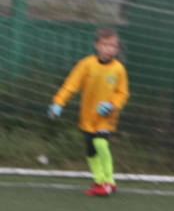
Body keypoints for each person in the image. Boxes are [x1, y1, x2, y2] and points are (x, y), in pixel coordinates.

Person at [49, 27, 129, 197]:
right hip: (88, 116)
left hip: (107, 116)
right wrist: (58, 103)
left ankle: (108, 181)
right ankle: (99, 180)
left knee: (101, 143)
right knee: (91, 150)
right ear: (97, 45)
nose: (109, 49)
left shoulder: (119, 69)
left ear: (117, 48)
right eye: (105, 45)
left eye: (113, 45)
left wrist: (112, 105)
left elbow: (123, 93)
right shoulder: (86, 65)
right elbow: (71, 85)